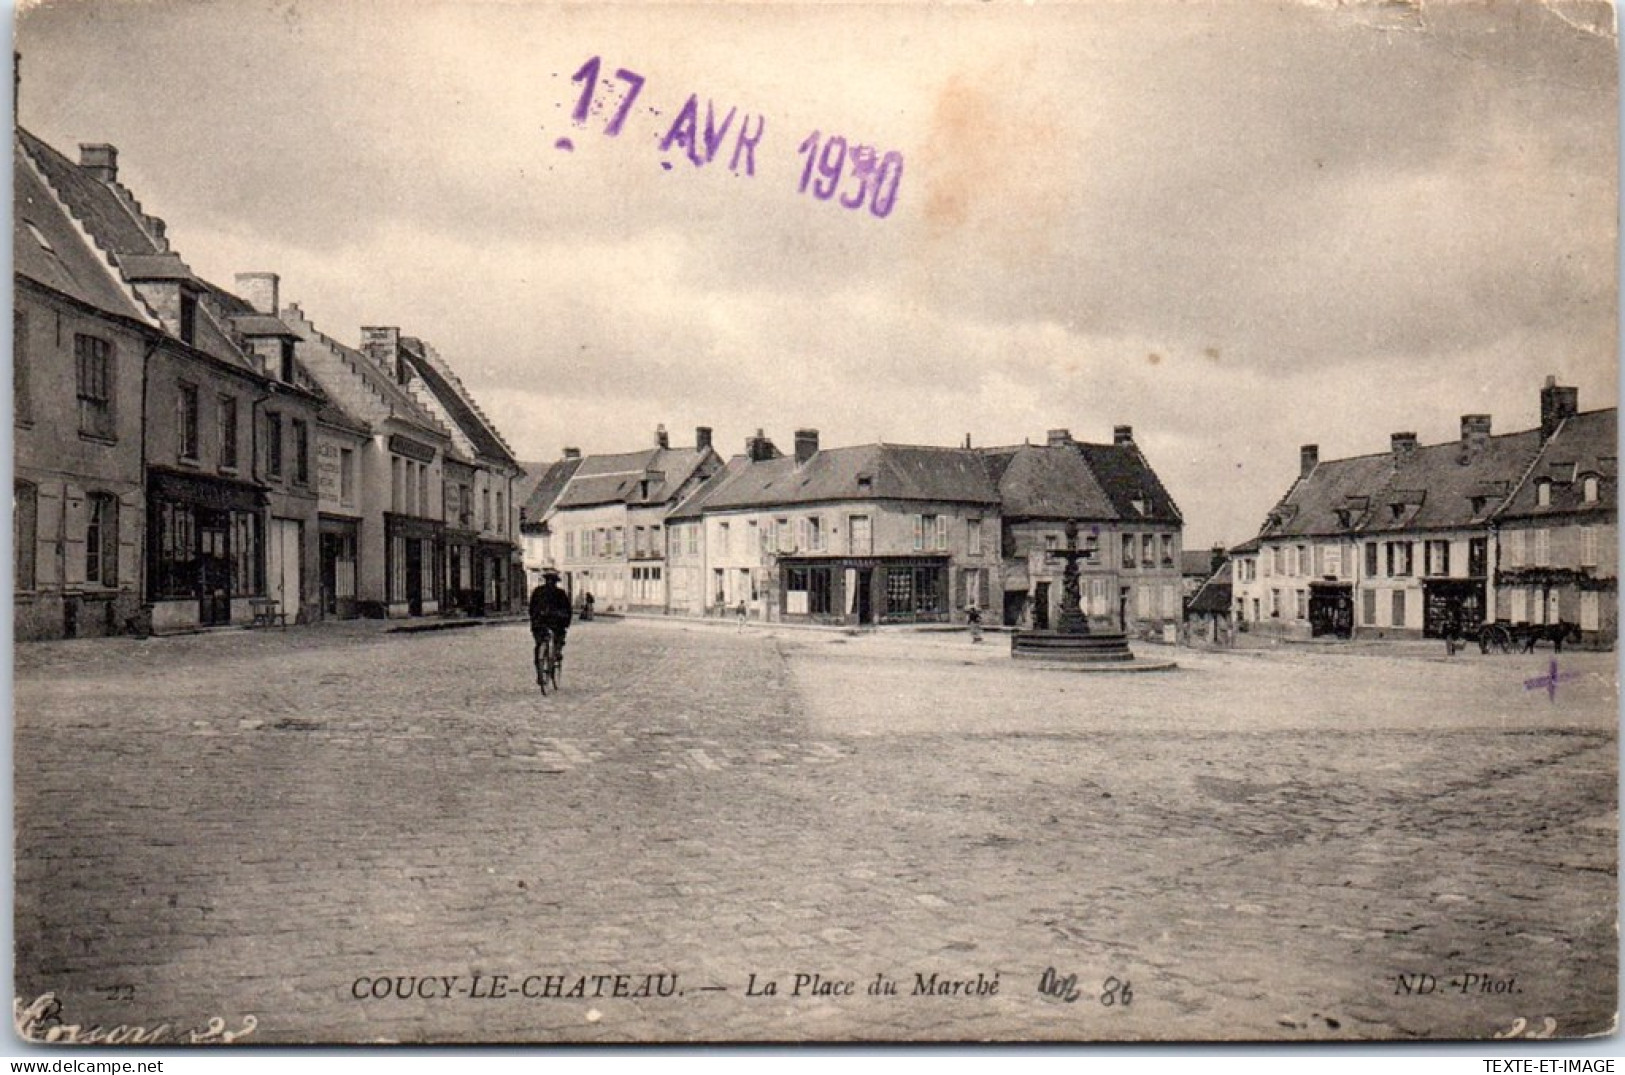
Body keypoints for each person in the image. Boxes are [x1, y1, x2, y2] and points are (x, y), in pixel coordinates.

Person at [529, 569, 573, 670]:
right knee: (556, 638)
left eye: (551, 581)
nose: (550, 583)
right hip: (551, 624)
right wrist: (566, 621)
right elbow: (567, 610)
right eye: (550, 581)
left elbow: (531, 608)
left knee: (540, 643)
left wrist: (534, 619)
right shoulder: (560, 593)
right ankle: (555, 653)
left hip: (541, 623)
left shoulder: (538, 591)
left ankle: (540, 664)